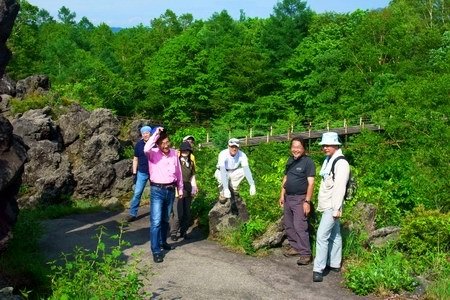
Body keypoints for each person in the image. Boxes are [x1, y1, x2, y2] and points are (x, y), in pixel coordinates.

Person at [312, 132, 350, 282]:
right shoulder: (329, 160)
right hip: (328, 204)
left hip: (332, 206)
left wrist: (336, 209)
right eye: (324, 145)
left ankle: (318, 269)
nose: (325, 148)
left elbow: (340, 188)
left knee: (322, 236)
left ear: (336, 144)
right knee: (335, 234)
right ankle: (334, 263)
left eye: (328, 145)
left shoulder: (341, 163)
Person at [144, 127, 183, 263]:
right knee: (155, 221)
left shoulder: (173, 153)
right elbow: (146, 148)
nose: (166, 145)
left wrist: (181, 188)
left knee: (165, 219)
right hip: (157, 190)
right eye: (163, 143)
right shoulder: (152, 153)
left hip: (171, 190)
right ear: (158, 144)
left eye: (167, 142)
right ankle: (156, 250)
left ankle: (162, 242)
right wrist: (156, 134)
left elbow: (178, 172)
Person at [279, 137, 315, 265]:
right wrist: (282, 195)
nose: (296, 150)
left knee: (300, 226)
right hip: (288, 197)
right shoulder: (290, 161)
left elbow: (311, 183)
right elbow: (286, 178)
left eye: (299, 147)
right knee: (289, 225)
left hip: (300, 198)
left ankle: (306, 254)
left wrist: (307, 201)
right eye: (294, 147)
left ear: (304, 148)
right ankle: (295, 247)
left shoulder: (308, 162)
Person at [170, 141, 198, 241]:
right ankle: (173, 232)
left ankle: (183, 231)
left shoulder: (190, 162)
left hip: (188, 187)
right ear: (180, 151)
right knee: (178, 213)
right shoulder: (176, 161)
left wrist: (194, 187)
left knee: (187, 212)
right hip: (177, 188)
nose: (185, 151)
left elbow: (193, 175)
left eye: (187, 150)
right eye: (184, 150)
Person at [214, 138, 256, 203]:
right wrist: (225, 188)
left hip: (233, 171)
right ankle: (223, 193)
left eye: (236, 147)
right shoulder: (223, 154)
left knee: (243, 171)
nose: (234, 149)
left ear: (238, 147)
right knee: (223, 180)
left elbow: (246, 169)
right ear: (228, 146)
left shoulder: (242, 155)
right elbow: (222, 171)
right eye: (232, 146)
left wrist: (252, 185)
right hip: (221, 171)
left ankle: (234, 189)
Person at [126, 125, 152, 222]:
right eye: (143, 133)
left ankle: (154, 213)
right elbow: (135, 159)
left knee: (154, 194)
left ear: (150, 134)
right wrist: (134, 172)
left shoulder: (155, 144)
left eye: (147, 133)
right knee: (137, 193)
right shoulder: (139, 145)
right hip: (141, 172)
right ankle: (132, 214)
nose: (145, 135)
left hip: (154, 173)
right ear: (141, 134)